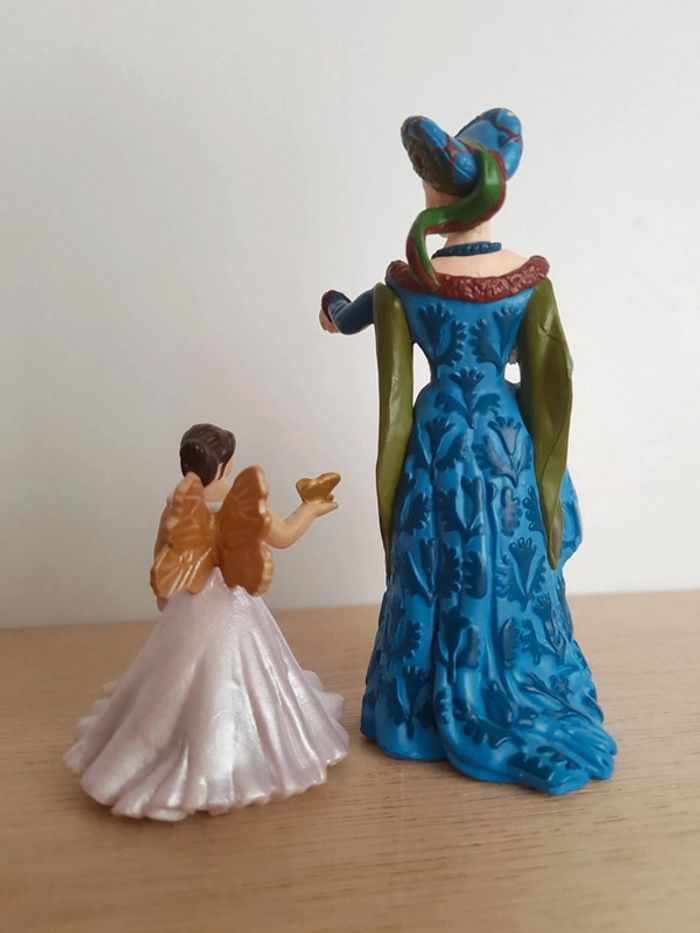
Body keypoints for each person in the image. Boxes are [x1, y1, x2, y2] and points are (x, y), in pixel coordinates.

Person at [319, 109, 616, 794]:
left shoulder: (406, 282)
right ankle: (519, 673)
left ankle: (419, 703)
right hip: (506, 443)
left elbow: (369, 352)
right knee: (507, 553)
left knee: (432, 553)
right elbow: (554, 383)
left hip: (438, 440)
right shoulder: (530, 281)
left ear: (436, 191)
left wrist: (334, 311)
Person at [65, 423, 347, 819]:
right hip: (234, 600)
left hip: (191, 598)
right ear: (226, 466)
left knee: (175, 676)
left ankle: (169, 740)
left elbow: (163, 553)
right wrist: (311, 509)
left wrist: (165, 592)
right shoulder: (242, 504)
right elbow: (283, 536)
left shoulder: (178, 504)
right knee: (239, 672)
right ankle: (224, 753)